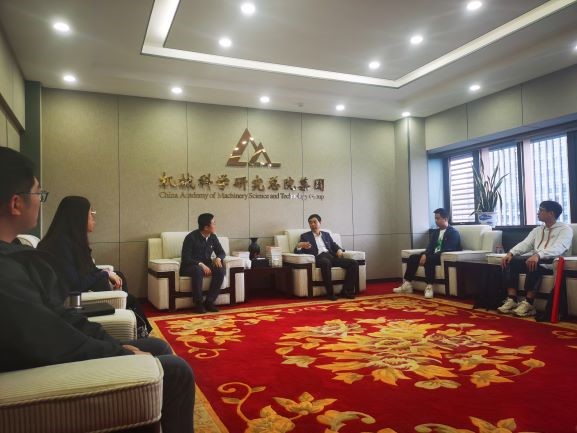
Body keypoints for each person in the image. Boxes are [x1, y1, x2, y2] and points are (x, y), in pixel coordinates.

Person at [0, 147, 195, 433]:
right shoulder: (6, 270)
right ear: (16, 203)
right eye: (38, 194)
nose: (40, 201)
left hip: (55, 345)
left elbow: (59, 316)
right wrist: (120, 353)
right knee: (177, 371)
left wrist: (113, 343)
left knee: (158, 348)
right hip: (37, 367)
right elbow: (50, 338)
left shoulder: (16, 252)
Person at [37, 196, 152, 337]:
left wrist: (105, 273)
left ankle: (137, 329)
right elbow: (74, 284)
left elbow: (87, 270)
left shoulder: (71, 241)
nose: (94, 218)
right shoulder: (60, 245)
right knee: (131, 300)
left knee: (119, 276)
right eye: (91, 213)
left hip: (83, 293)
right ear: (78, 217)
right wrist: (105, 274)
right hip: (74, 302)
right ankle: (139, 332)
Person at [497, 200, 573, 317]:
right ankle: (512, 300)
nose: (538, 213)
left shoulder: (565, 229)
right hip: (535, 258)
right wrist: (511, 253)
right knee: (510, 261)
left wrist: (538, 255)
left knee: (533, 263)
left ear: (551, 213)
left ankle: (529, 304)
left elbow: (559, 248)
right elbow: (525, 244)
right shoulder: (538, 230)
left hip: (552, 262)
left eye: (541, 210)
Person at [394, 208, 461, 299]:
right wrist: (425, 254)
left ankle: (429, 286)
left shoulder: (453, 233)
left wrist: (429, 256)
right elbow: (430, 246)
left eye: (438, 218)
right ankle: (407, 284)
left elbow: (449, 248)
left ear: (445, 219)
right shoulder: (436, 232)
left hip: (442, 257)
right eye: (435, 218)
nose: (436, 221)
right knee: (413, 258)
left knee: (429, 259)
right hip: (432, 255)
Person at [295, 214, 359, 301]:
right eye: (310, 223)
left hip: (331, 257)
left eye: (314, 222)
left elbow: (334, 245)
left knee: (353, 263)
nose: (312, 224)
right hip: (319, 258)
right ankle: (330, 293)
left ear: (320, 222)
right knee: (326, 262)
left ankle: (346, 290)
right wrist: (299, 246)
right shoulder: (305, 236)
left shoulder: (326, 234)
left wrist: (339, 250)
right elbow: (297, 252)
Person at [180, 213, 226, 314]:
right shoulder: (191, 237)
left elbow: (222, 252)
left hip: (206, 264)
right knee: (197, 270)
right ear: (206, 227)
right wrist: (200, 264)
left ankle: (209, 301)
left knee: (220, 269)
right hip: (190, 266)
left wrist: (218, 258)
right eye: (213, 223)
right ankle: (198, 303)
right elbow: (186, 258)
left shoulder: (212, 237)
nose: (215, 225)